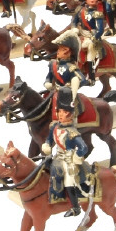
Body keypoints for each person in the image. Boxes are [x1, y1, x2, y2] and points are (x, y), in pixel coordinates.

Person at [41, 87, 90, 217]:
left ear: (70, 114)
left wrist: (76, 157)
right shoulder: (54, 127)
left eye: (64, 112)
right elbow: (49, 139)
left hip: (69, 160)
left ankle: (75, 207)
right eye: (59, 111)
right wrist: (47, 145)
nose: (61, 115)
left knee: (69, 182)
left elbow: (84, 148)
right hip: (57, 156)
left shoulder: (72, 132)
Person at [44, 31, 90, 118]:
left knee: (69, 112)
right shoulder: (52, 64)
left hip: (67, 95)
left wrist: (71, 86)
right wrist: (47, 83)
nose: (58, 52)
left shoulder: (72, 68)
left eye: (61, 50)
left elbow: (83, 80)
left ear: (68, 52)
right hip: (55, 91)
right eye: (59, 49)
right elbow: (49, 77)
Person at [71, 0, 110, 78]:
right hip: (81, 34)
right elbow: (74, 22)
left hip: (92, 36)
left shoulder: (97, 13)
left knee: (90, 51)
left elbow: (100, 30)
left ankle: (91, 76)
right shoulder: (80, 11)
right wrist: (74, 28)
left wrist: (93, 38)